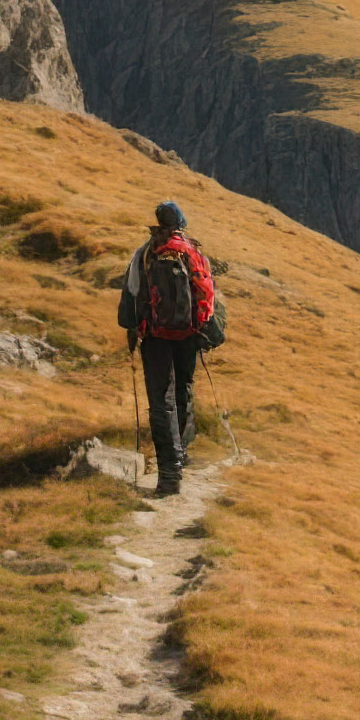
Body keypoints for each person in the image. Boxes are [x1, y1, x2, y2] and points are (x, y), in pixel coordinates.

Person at [118, 195, 215, 495]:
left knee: (161, 403)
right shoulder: (193, 252)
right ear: (181, 224)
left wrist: (133, 332)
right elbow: (207, 294)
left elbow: (130, 299)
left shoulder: (144, 254)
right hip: (187, 335)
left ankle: (169, 474)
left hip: (156, 336)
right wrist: (203, 329)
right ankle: (182, 454)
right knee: (184, 388)